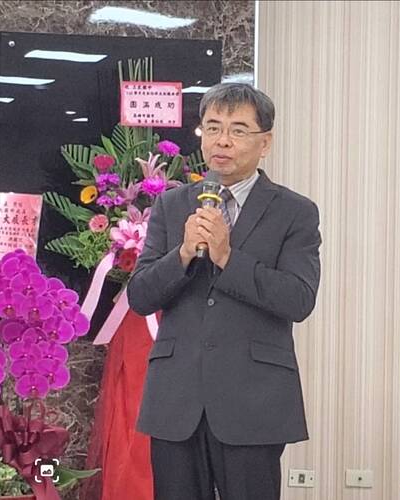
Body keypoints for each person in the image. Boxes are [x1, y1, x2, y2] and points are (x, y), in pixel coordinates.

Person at [127, 83, 321, 500]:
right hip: (176, 399)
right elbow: (140, 296)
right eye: (212, 128)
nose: (222, 141)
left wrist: (227, 258)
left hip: (253, 400)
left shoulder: (295, 212)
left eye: (238, 130)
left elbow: (298, 298)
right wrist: (183, 254)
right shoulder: (172, 205)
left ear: (265, 143)